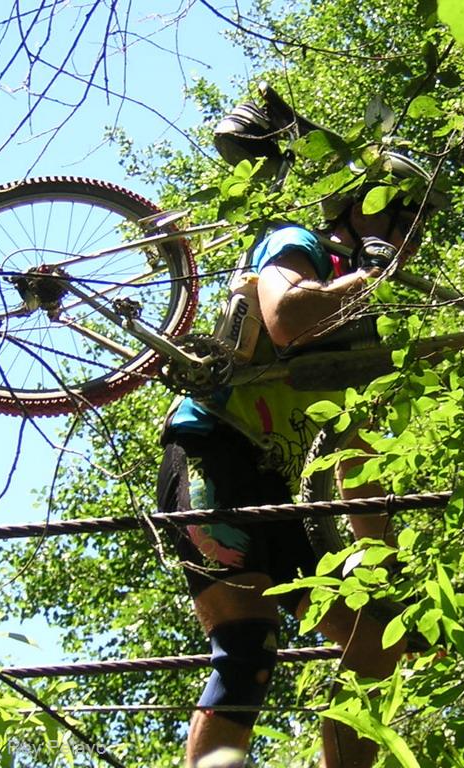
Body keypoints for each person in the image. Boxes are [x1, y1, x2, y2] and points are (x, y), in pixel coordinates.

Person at [156, 151, 442, 768]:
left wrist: (386, 573)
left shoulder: (362, 316)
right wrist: (372, 272)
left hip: (271, 484)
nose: (415, 239)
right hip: (212, 451)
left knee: (378, 641)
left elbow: (357, 459)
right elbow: (285, 319)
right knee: (247, 650)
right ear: (365, 210)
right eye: (408, 220)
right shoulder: (298, 245)